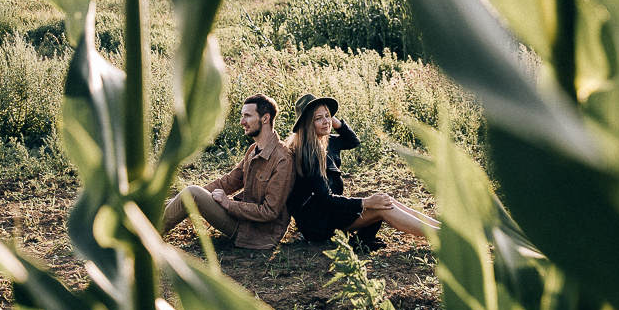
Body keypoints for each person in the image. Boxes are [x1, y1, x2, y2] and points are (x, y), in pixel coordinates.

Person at [285, 93, 439, 249]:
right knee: (383, 208)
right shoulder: (307, 154)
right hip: (319, 223)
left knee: (384, 200)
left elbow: (353, 140)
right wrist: (367, 202)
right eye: (318, 118)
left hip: (330, 212)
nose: (326, 121)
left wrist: (330, 121)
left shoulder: (325, 141)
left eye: (328, 116)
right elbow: (326, 199)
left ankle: (442, 229)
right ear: (307, 124)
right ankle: (441, 236)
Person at [161, 93, 293, 250]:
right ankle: (142, 221)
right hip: (242, 220)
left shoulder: (282, 159)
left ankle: (146, 236)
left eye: (247, 116)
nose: (242, 121)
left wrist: (229, 205)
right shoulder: (254, 149)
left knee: (191, 193)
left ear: (265, 118)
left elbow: (269, 211)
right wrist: (182, 200)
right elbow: (228, 181)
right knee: (180, 198)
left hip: (256, 233)